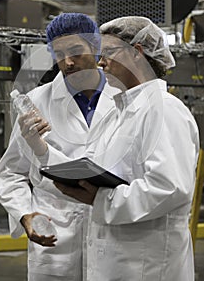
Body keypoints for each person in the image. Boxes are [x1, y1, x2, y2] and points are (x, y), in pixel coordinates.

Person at [52, 16, 200, 281]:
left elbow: (168, 187)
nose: (101, 62)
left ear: (137, 52)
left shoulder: (164, 109)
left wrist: (100, 199)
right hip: (117, 262)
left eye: (108, 52)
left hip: (148, 266)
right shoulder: (119, 112)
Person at [0, 13, 119, 281]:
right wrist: (25, 215)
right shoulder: (36, 101)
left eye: (75, 51)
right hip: (56, 232)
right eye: (58, 54)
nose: (68, 62)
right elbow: (10, 172)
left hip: (113, 228)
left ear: (96, 48)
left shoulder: (124, 98)